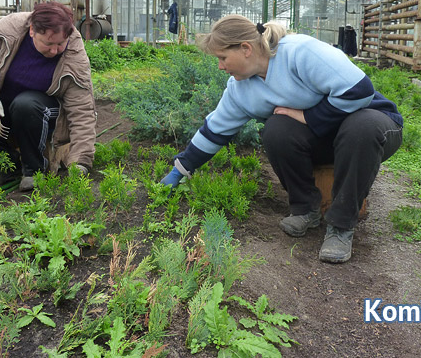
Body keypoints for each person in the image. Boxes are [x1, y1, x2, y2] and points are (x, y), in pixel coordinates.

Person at [159, 15, 403, 263]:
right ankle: (305, 209)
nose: (220, 66)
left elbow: (359, 91)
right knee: (276, 128)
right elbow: (215, 131)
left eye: (222, 58)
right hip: (328, 140)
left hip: (374, 128)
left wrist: (308, 116)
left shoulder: (298, 51)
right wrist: (180, 170)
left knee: (360, 126)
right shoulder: (240, 89)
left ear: (245, 48)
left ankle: (341, 226)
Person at [0, 1, 96, 192]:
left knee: (25, 103)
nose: (54, 50)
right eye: (49, 43)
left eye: (60, 44)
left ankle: (34, 169)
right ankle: (10, 162)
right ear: (32, 30)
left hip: (40, 112)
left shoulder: (74, 54)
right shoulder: (8, 30)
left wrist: (81, 161)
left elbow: (82, 109)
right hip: (4, 107)